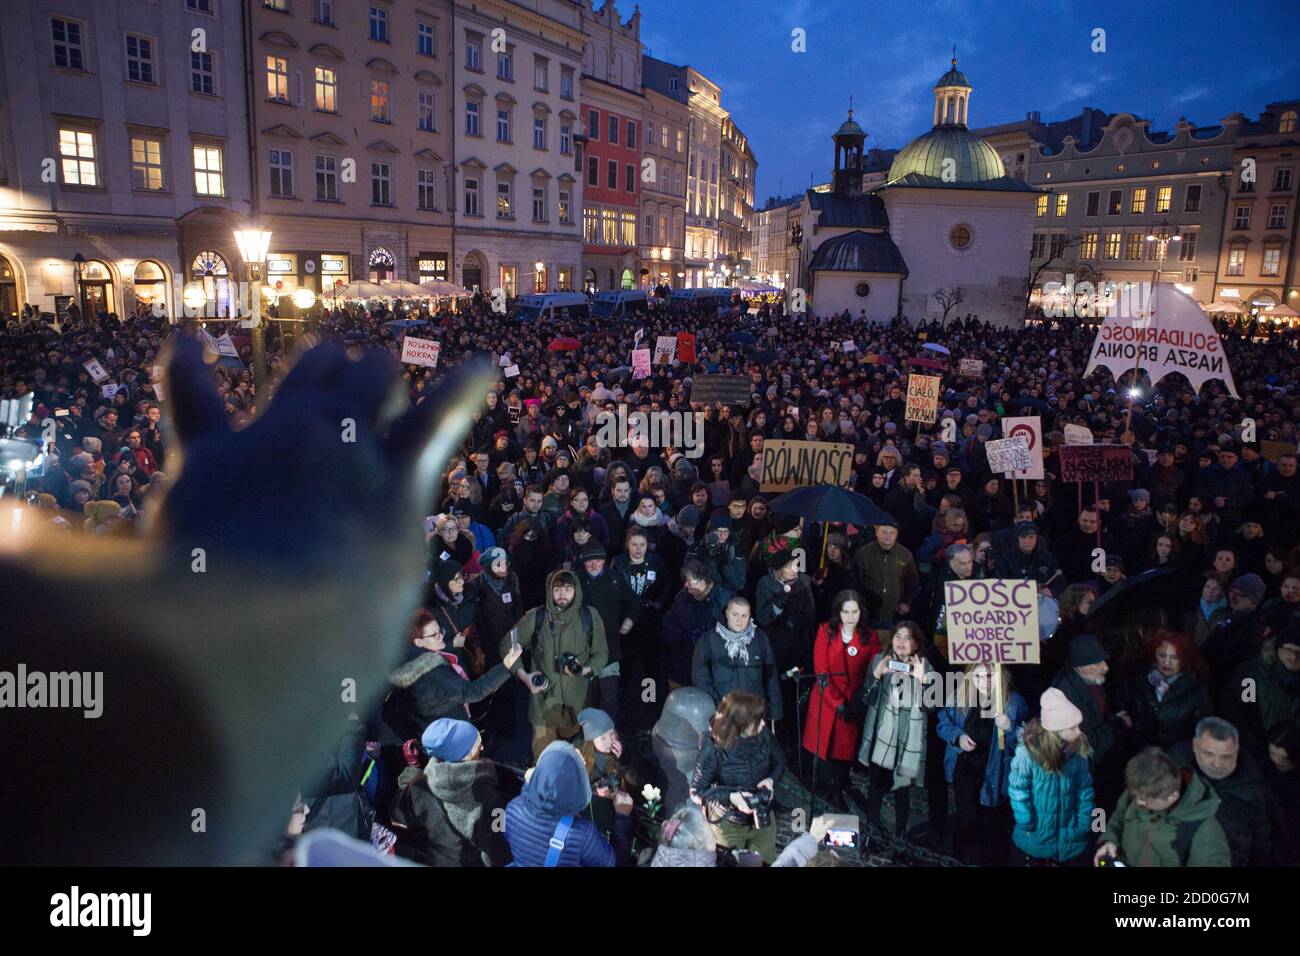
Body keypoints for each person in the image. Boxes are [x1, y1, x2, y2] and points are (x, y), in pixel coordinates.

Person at [501, 569, 609, 761]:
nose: (562, 595)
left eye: (568, 589)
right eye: (557, 589)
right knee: (544, 762)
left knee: (579, 761)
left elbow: (601, 654)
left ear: (576, 591)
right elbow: (507, 645)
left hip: (578, 705)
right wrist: (524, 676)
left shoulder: (590, 617)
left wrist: (584, 669)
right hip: (543, 705)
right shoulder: (536, 617)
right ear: (549, 591)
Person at [388, 718, 513, 866]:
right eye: (477, 745)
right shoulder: (489, 798)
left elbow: (398, 816)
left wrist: (413, 770)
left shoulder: (419, 785)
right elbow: (496, 848)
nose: (482, 747)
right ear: (464, 756)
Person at [937, 663, 1028, 865]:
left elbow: (1027, 744)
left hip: (996, 772)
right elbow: (943, 723)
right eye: (977, 677)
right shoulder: (960, 696)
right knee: (965, 818)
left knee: (992, 823)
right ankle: (962, 857)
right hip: (965, 768)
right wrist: (957, 737)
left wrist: (1011, 728)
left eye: (988, 676)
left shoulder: (1014, 702)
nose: (983, 682)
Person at [383, 610, 522, 741]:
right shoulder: (431, 674)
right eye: (434, 635)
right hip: (450, 738)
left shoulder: (411, 662)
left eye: (440, 631)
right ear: (418, 642)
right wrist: (506, 667)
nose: (441, 636)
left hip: (437, 731)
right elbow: (472, 692)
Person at [856, 621, 937, 840]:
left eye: (908, 638)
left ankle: (900, 836)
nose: (901, 643)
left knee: (902, 791)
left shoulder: (926, 666)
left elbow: (930, 708)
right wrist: (877, 675)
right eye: (898, 637)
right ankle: (871, 831)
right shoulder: (880, 659)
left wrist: (922, 681)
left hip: (908, 739)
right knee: (876, 786)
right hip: (882, 736)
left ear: (916, 643)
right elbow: (866, 699)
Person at [803, 590, 879, 811]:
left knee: (843, 751)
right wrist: (838, 703)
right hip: (827, 702)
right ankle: (826, 789)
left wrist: (857, 701)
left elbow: (871, 671)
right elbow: (822, 673)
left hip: (853, 701)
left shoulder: (870, 636)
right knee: (824, 750)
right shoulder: (825, 631)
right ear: (839, 612)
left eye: (854, 612)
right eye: (845, 612)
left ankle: (838, 790)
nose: (850, 617)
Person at [1167, 717, 1278, 867]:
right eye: (1209, 754)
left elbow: (1262, 845)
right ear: (1195, 745)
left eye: (1226, 757)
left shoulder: (1254, 790)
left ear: (1236, 751)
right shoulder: (1173, 763)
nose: (1217, 763)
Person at [690, 691, 785, 864]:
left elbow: (779, 761)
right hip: (728, 826)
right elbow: (697, 792)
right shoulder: (713, 749)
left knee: (760, 863)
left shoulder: (763, 735)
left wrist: (771, 780)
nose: (763, 723)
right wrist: (732, 797)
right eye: (757, 720)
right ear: (741, 726)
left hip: (763, 818)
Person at [1094, 747, 1231, 867]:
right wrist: (1109, 841)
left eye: (1146, 800)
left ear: (1173, 796)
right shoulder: (1140, 790)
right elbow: (1117, 820)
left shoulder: (1205, 832)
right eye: (1136, 796)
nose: (1138, 803)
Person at [503, 741, 633, 866]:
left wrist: (530, 785)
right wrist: (622, 817)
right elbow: (614, 863)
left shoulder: (513, 809)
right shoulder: (581, 834)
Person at [1007, 689, 1095, 866]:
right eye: (1072, 727)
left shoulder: (1078, 752)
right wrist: (1027, 824)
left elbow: (1085, 791)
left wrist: (1083, 825)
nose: (1079, 731)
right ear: (1056, 730)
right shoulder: (1026, 754)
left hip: (1069, 837)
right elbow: (1018, 792)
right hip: (1037, 836)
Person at [1051, 633, 1131, 809]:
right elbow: (1083, 744)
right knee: (1095, 816)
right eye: (1097, 663)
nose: (1105, 667)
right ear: (1080, 666)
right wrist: (1117, 725)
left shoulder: (1088, 681)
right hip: (1085, 778)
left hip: (1099, 770)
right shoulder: (1064, 696)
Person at [575, 542, 637, 726]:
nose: (594, 565)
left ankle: (608, 734)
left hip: (609, 649)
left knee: (609, 697)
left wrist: (629, 620)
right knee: (585, 699)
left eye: (598, 560)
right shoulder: (575, 581)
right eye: (589, 562)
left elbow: (633, 600)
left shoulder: (614, 578)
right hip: (583, 651)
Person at [692, 596, 782, 722]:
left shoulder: (760, 638)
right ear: (727, 613)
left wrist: (775, 711)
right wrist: (718, 706)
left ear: (749, 616)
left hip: (755, 714)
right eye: (735, 614)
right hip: (725, 715)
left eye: (744, 616)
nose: (739, 620)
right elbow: (700, 679)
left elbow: (771, 676)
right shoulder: (709, 640)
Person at [1119, 631, 1212, 750]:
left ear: (1184, 659)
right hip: (1137, 753)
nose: (1167, 662)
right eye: (1162, 655)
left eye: (1174, 657)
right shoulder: (1136, 680)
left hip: (1176, 758)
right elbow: (1121, 711)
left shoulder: (1196, 690)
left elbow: (1203, 730)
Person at [662, 557, 731, 690]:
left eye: (690, 581)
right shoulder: (683, 597)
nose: (686, 585)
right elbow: (668, 623)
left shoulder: (723, 602)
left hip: (708, 673)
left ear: (703, 581)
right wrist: (683, 637)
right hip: (681, 667)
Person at [853, 518, 919, 627]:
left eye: (892, 533)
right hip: (866, 611)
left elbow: (913, 580)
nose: (888, 536)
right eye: (884, 532)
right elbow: (855, 580)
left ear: (897, 534)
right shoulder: (862, 553)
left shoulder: (905, 554)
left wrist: (906, 602)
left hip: (892, 612)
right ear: (876, 532)